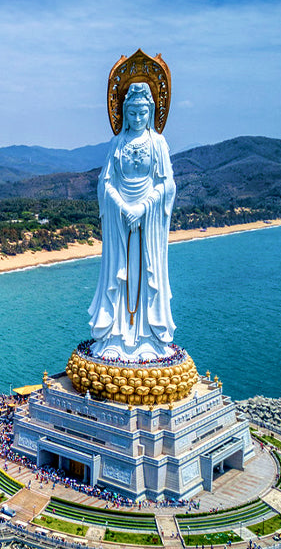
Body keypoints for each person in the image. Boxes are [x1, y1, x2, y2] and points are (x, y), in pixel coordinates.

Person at [88, 82, 176, 361]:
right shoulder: (117, 143)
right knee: (120, 272)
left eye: (143, 113)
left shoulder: (158, 143)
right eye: (133, 113)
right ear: (125, 113)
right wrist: (123, 207)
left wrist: (144, 207)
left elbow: (168, 185)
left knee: (146, 274)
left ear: (150, 113)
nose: (137, 119)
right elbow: (105, 183)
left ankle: (148, 338)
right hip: (119, 220)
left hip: (148, 222)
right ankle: (115, 336)